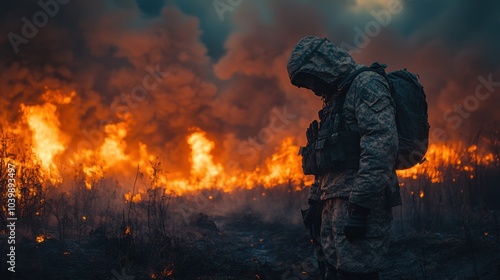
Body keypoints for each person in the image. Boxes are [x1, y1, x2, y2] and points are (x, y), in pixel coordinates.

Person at [288, 36, 401, 280]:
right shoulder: (335, 100)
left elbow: (381, 146)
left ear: (321, 65)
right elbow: (328, 163)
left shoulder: (366, 85)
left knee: (358, 273)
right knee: (334, 272)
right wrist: (316, 201)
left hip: (360, 206)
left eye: (310, 80)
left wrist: (360, 208)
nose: (312, 89)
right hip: (334, 207)